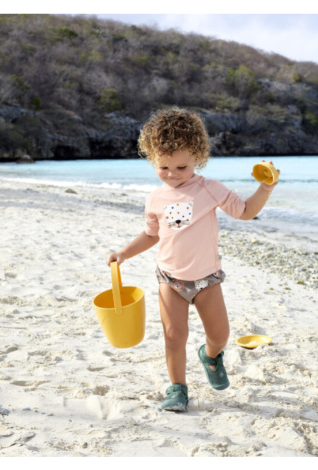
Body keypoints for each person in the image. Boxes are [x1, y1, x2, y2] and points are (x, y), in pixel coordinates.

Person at [106, 108, 280, 411]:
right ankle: (177, 389)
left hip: (206, 279)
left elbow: (244, 212)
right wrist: (123, 253)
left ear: (197, 157)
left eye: (181, 167)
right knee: (174, 336)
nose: (172, 173)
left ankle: (210, 357)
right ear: (152, 159)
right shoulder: (155, 199)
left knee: (220, 335)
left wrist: (265, 188)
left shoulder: (209, 189)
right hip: (170, 279)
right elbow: (151, 235)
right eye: (163, 167)